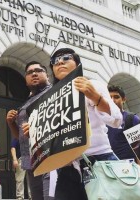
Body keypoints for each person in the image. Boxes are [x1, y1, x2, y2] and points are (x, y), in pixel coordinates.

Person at [49, 48, 122, 200]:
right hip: (66, 168)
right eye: (55, 61)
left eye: (66, 58)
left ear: (77, 64)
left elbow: (116, 120)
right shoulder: (50, 100)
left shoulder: (92, 84)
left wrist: (96, 97)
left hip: (98, 159)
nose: (60, 62)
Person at [6, 61, 54, 200]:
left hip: (50, 157)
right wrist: (11, 123)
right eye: (29, 72)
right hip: (29, 160)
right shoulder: (25, 103)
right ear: (26, 80)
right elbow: (20, 137)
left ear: (47, 76)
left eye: (38, 70)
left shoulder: (54, 93)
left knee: (51, 197)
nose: (34, 73)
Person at [107, 85, 140, 160]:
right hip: (108, 165)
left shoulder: (132, 118)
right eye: (109, 98)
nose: (112, 100)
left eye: (116, 97)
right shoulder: (101, 120)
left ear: (124, 99)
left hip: (130, 164)